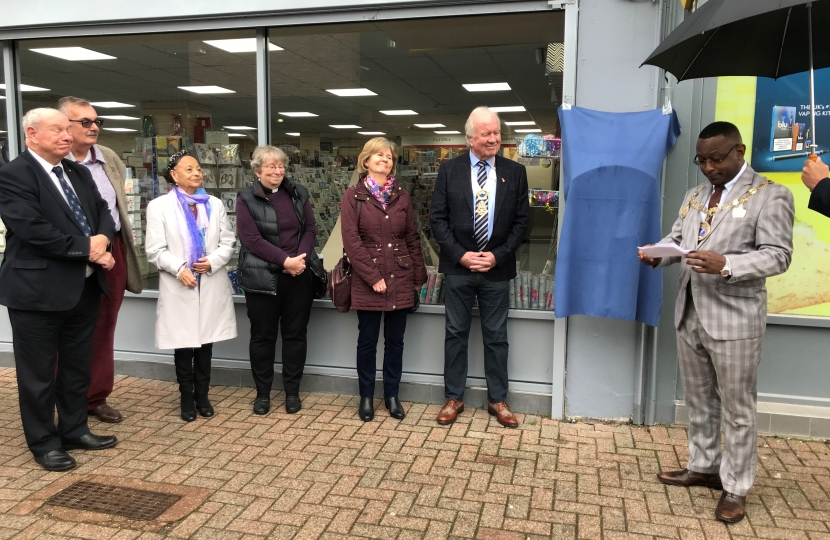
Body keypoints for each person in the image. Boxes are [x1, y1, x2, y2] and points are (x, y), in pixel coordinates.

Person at [639, 122, 794, 524]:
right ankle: (704, 466)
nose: (708, 168)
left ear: (739, 151)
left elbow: (778, 255)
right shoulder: (695, 195)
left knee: (738, 408)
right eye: (702, 160)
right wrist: (661, 254)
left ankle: (736, 486)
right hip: (690, 312)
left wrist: (728, 265)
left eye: (717, 159)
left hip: (736, 319)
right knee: (699, 400)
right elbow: (679, 239)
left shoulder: (771, 195)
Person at [0, 108, 118, 471]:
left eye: (69, 129)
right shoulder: (13, 175)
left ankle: (74, 429)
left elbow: (104, 214)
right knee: (37, 375)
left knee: (75, 367)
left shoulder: (77, 172)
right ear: (31, 134)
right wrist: (90, 248)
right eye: (58, 129)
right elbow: (32, 229)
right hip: (36, 292)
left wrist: (101, 241)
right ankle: (44, 443)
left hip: (82, 288)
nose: (68, 135)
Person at [429, 106, 529, 428]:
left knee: (496, 336)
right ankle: (453, 397)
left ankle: (498, 399)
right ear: (470, 137)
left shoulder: (514, 172)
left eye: (497, 132)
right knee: (455, 333)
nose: (494, 138)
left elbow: (521, 223)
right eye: (486, 133)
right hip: (459, 268)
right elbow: (437, 220)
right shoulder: (449, 170)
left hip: (496, 270)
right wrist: (461, 255)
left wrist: (497, 255)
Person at [59, 96, 144, 424]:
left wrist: (107, 244)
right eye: (85, 122)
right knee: (64, 329)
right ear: (64, 125)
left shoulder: (108, 157)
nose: (94, 127)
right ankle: (65, 397)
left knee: (104, 326)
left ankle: (95, 397)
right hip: (67, 256)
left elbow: (116, 208)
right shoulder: (53, 161)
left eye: (97, 121)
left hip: (112, 253)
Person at [145, 150, 237, 422]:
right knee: (183, 345)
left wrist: (212, 261)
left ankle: (203, 395)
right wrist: (178, 268)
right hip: (180, 284)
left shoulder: (214, 204)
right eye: (189, 169)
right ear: (173, 175)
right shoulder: (159, 206)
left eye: (198, 168)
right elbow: (154, 249)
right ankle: (186, 397)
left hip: (209, 280)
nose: (197, 173)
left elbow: (228, 242)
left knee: (206, 343)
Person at [341, 137, 427, 422]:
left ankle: (392, 395)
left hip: (400, 277)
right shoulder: (353, 195)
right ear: (366, 161)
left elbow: (412, 238)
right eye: (379, 155)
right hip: (369, 282)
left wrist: (418, 277)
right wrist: (372, 276)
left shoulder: (401, 195)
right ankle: (366, 396)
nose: (385, 159)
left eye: (389, 156)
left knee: (396, 342)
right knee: (367, 341)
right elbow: (351, 242)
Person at [236, 146, 317, 415]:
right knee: (262, 337)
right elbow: (251, 239)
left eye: (280, 166)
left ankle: (292, 392)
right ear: (257, 171)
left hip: (298, 276)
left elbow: (311, 228)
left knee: (296, 336)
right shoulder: (245, 198)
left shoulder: (298, 193)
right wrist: (285, 262)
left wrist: (299, 260)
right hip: (263, 277)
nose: (277, 170)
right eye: (270, 166)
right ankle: (263, 394)